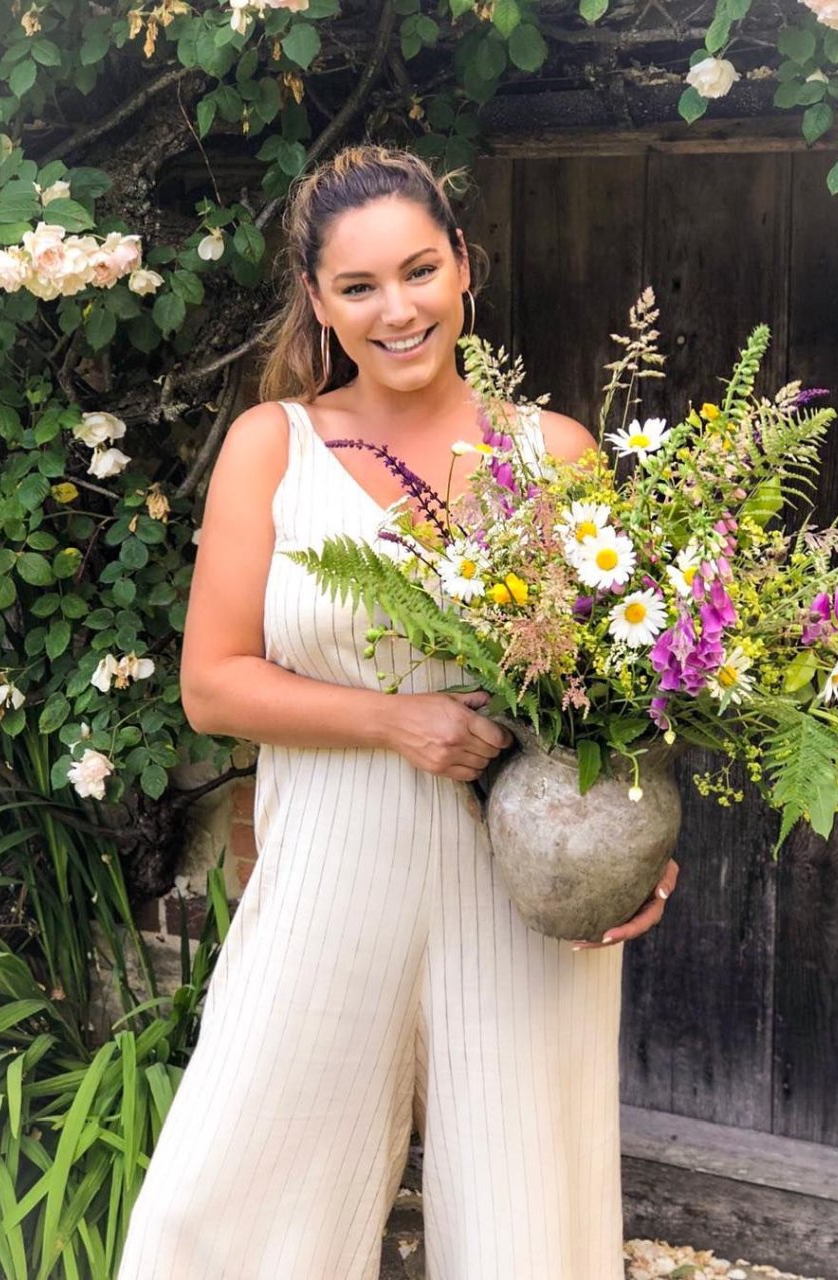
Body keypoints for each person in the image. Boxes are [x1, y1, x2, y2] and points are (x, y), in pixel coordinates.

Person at [115, 144, 679, 1280]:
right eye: (359, 285)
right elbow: (211, 683)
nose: (399, 309)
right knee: (220, 1214)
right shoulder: (273, 447)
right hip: (328, 873)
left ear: (462, 264)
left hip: (519, 889)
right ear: (318, 299)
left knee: (531, 1226)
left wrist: (640, 853)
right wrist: (395, 720)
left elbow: (624, 698)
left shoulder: (557, 456)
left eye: (419, 270)